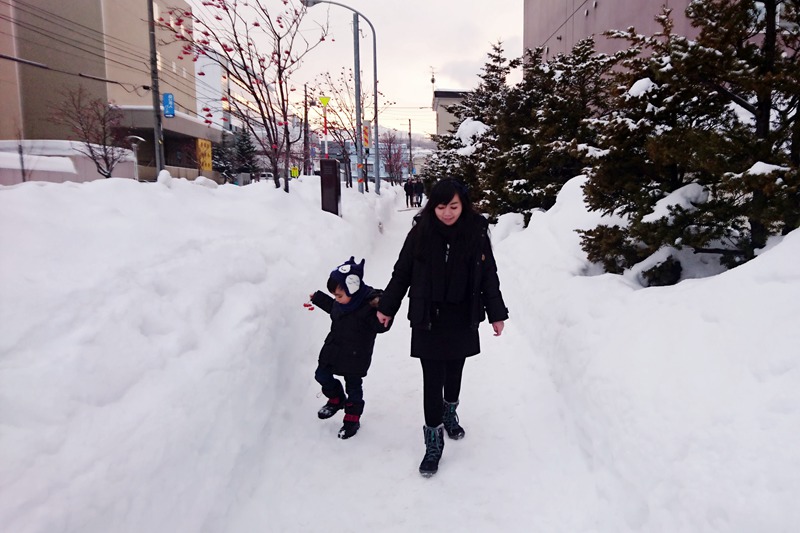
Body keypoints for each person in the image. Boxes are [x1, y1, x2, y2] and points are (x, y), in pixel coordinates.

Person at [376, 178, 508, 476]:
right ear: (432, 206)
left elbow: (489, 275)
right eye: (440, 206)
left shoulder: (476, 233)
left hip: (462, 315)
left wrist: (496, 313)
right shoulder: (420, 233)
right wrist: (387, 307)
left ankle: (450, 412)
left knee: (455, 371)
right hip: (428, 317)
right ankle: (433, 441)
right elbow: (402, 272)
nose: (447, 213)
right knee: (432, 378)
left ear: (463, 205)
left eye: (453, 206)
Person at [310, 257, 390, 439]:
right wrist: (319, 299)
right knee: (321, 375)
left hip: (355, 356)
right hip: (334, 349)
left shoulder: (368, 307)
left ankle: (352, 420)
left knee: (353, 387)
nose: (336, 299)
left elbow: (380, 326)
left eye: (339, 295)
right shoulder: (341, 303)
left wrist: (383, 308)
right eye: (334, 296)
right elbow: (333, 308)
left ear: (352, 289)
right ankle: (336, 399)